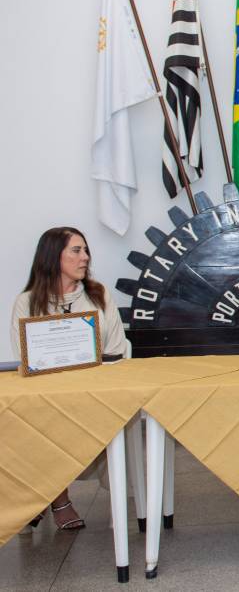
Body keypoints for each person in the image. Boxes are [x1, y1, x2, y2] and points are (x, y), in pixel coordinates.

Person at [10, 226, 129, 531]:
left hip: (96, 390)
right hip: (50, 394)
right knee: (37, 416)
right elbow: (25, 356)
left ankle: (42, 495)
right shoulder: (26, 302)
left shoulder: (99, 294)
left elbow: (117, 348)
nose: (85, 257)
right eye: (76, 250)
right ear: (53, 257)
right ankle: (57, 498)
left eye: (86, 250)